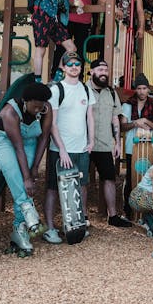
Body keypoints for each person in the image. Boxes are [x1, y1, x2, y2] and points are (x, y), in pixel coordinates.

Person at [0, 83, 52, 256]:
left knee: (28, 180)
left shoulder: (46, 108)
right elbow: (17, 148)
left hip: (30, 141)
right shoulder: (9, 112)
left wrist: (34, 169)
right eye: (35, 106)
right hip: (4, 141)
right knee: (15, 174)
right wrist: (26, 177)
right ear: (25, 101)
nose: (39, 110)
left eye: (42, 106)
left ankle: (20, 229)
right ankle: (27, 208)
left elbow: (44, 138)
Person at [43, 52, 96, 244]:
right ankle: (49, 227)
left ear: (81, 68)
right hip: (59, 150)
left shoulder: (86, 89)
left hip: (81, 148)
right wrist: (62, 150)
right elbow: (52, 123)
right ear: (63, 68)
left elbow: (90, 117)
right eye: (70, 64)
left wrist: (91, 141)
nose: (74, 67)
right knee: (53, 188)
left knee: (81, 187)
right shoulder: (57, 89)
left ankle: (77, 224)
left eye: (77, 64)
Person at [87, 59, 132, 227]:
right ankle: (83, 217)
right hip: (84, 144)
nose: (104, 72)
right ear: (91, 72)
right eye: (100, 69)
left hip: (105, 143)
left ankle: (112, 216)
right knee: (82, 180)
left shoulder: (111, 93)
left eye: (106, 69)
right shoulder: (82, 90)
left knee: (109, 178)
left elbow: (115, 119)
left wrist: (117, 142)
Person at [30, 0, 78, 82]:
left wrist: (75, 4)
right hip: (42, 13)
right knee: (41, 49)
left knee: (71, 48)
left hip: (55, 18)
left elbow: (62, 1)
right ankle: (38, 81)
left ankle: (57, 76)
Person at [52, 0, 100, 79]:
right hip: (66, 20)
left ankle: (78, 78)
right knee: (61, 49)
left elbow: (96, 5)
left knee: (80, 51)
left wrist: (96, 25)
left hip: (84, 22)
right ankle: (56, 75)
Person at [121, 73, 153, 218]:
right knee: (131, 179)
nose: (142, 91)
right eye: (139, 88)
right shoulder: (127, 105)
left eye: (144, 88)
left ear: (148, 89)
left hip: (148, 148)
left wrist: (144, 120)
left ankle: (144, 213)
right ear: (135, 90)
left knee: (147, 180)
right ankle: (128, 211)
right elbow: (123, 126)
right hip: (133, 147)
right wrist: (134, 123)